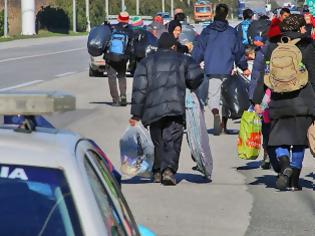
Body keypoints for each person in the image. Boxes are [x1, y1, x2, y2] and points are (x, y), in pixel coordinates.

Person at [129, 32, 203, 186]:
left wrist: (136, 113)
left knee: (158, 141)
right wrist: (189, 85)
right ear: (173, 46)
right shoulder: (183, 59)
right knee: (173, 140)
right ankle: (168, 170)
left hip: (153, 110)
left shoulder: (146, 62)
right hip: (175, 108)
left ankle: (156, 172)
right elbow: (196, 76)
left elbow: (139, 89)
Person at [252, 14, 315, 191]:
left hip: (279, 99)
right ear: (301, 28)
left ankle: (284, 164)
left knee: (279, 138)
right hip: (303, 100)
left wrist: (257, 99)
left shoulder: (273, 46)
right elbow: (314, 75)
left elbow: (265, 76)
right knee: (299, 141)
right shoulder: (308, 45)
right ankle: (294, 182)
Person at [192, 3, 250, 135]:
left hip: (211, 68)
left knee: (213, 95)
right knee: (226, 97)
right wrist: (244, 67)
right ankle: (223, 125)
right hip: (227, 69)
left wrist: (193, 62)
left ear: (214, 14)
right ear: (227, 15)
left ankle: (215, 112)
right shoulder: (231, 32)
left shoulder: (207, 31)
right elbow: (238, 52)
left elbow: (199, 49)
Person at [105, 11, 133, 106]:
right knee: (121, 76)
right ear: (128, 19)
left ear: (118, 18)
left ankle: (115, 99)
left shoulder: (112, 28)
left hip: (110, 56)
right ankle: (123, 95)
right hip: (123, 57)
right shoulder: (130, 29)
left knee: (111, 77)